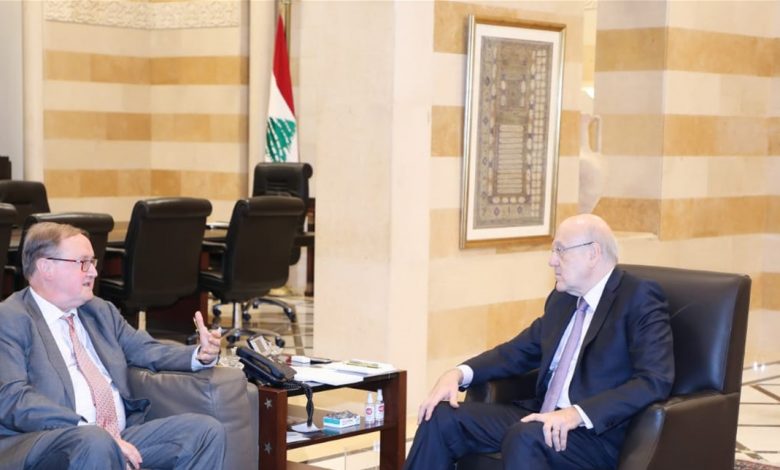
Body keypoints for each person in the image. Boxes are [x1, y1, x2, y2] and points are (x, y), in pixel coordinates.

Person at [405, 214, 674, 469]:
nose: (551, 261)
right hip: (541, 418)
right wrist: (457, 373)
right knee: (440, 417)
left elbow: (654, 380)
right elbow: (516, 352)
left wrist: (577, 413)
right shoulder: (563, 300)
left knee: (526, 436)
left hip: (593, 434)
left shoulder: (638, 297)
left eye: (560, 250)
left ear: (593, 253)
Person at [0, 222, 226, 470]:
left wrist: (199, 354)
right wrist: (84, 427)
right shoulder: (10, 318)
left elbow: (144, 348)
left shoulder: (99, 310)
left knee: (204, 432)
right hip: (49, 442)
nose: (94, 273)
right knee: (94, 441)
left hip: (116, 436)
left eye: (93, 262)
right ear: (46, 267)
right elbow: (12, 399)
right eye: (83, 263)